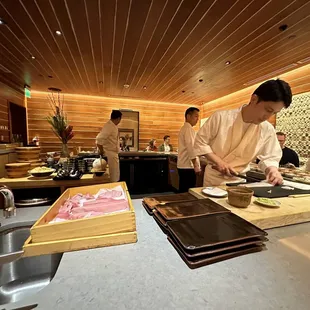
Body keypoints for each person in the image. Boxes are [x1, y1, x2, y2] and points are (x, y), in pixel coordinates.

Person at [193, 79, 292, 186]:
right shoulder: (221, 117)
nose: (268, 117)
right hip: (214, 180)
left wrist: (272, 171)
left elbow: (270, 156)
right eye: (268, 110)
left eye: (274, 113)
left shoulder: (267, 129)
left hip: (240, 181)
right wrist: (219, 162)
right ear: (254, 99)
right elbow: (200, 142)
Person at [177, 107, 201, 193]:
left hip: (183, 165)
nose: (197, 119)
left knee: (183, 189)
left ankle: (181, 206)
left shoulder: (185, 128)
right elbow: (191, 148)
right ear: (188, 116)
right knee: (187, 191)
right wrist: (196, 165)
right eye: (195, 116)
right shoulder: (188, 129)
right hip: (187, 166)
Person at [96, 110, 122, 182]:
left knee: (115, 175)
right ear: (118, 118)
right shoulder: (109, 126)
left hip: (113, 154)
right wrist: (101, 151)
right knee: (113, 177)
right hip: (110, 154)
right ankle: (113, 191)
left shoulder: (112, 126)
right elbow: (99, 140)